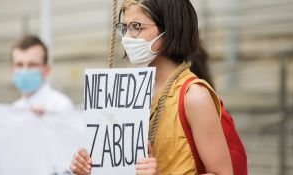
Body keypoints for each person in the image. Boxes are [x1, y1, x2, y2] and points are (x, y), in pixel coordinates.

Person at [70, 0, 233, 174]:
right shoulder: (123, 90)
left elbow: (222, 173)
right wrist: (88, 166)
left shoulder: (193, 96)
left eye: (137, 26)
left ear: (169, 28)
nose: (127, 38)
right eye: (124, 28)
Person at [0, 35, 73, 115]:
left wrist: (48, 121)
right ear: (12, 69)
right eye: (19, 65)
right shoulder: (15, 109)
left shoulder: (60, 106)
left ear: (46, 70)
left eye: (32, 65)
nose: (25, 71)